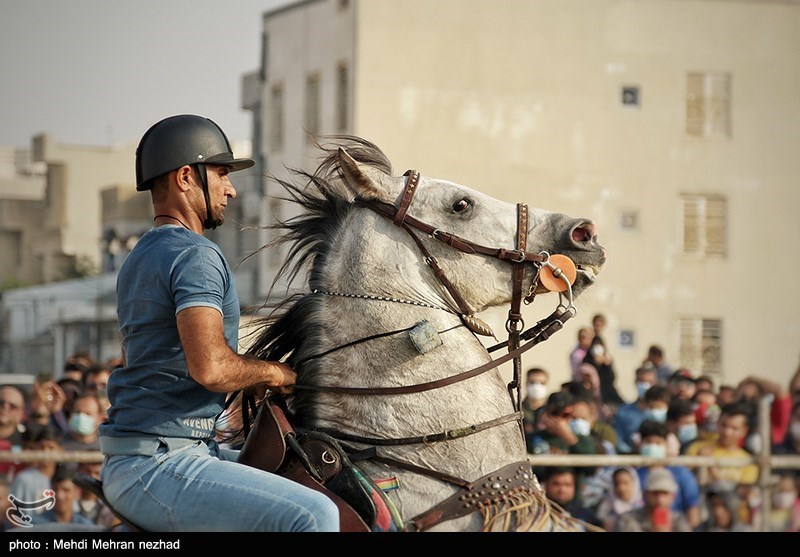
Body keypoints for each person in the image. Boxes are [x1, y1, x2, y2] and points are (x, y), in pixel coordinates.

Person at [98, 114, 339, 532]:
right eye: (223, 173)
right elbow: (209, 368)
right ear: (187, 177)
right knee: (316, 514)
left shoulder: (139, 255)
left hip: (145, 456)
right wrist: (271, 371)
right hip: (161, 461)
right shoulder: (196, 255)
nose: (231, 188)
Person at [635, 420, 701, 528]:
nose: (653, 447)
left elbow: (692, 506)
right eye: (648, 442)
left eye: (658, 443)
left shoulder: (681, 473)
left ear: (666, 444)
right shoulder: (634, 475)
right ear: (641, 443)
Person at [614, 467, 693, 532]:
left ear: (673, 497)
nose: (660, 500)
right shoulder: (628, 520)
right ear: (646, 494)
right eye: (655, 493)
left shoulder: (679, 521)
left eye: (664, 494)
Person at [582, 313, 625, 412]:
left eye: (600, 325)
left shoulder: (600, 339)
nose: (598, 327)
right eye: (596, 324)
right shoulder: (592, 339)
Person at [611, 365, 658, 454]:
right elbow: (619, 440)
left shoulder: (661, 412)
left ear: (655, 383)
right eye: (642, 382)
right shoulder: (623, 411)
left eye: (649, 382)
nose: (645, 386)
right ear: (635, 382)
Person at [594, 466, 643, 532]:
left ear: (634, 483)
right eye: (616, 484)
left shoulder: (644, 506)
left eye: (625, 483)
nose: (621, 488)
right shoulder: (605, 508)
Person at [0, 385, 26, 480]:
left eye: (12, 406)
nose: (5, 408)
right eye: (1, 402)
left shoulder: (26, 442)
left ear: (21, 414)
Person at [522, 367, 549, 454]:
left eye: (542, 383)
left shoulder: (551, 410)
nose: (537, 387)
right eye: (532, 382)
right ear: (526, 383)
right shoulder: (516, 409)